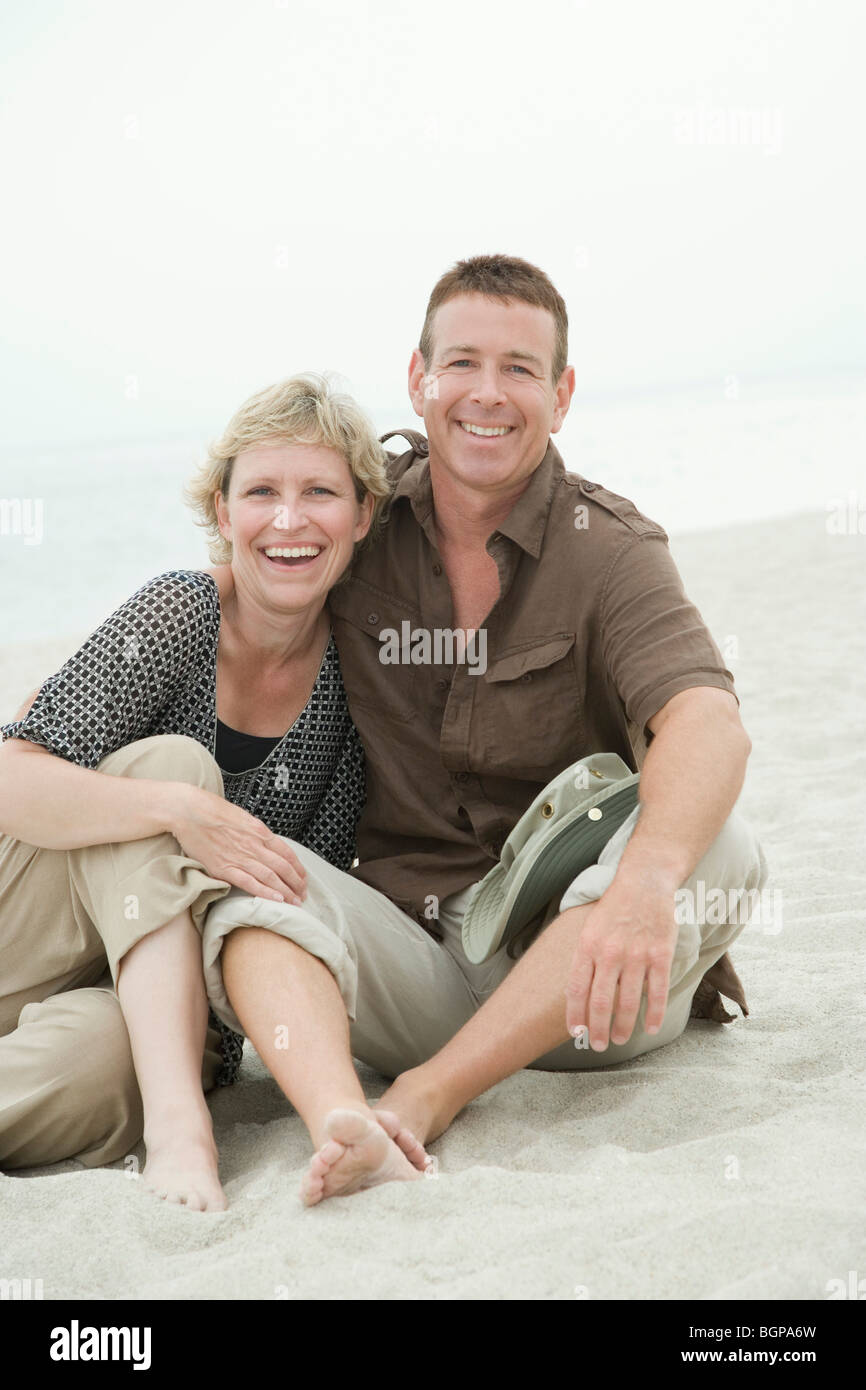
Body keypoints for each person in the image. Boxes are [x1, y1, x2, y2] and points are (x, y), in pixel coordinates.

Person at [199, 255, 768, 1207]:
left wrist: (643, 887)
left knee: (723, 841)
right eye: (461, 363)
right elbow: (253, 576)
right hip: (413, 964)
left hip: (583, 993)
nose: (487, 394)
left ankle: (428, 1097)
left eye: (519, 368)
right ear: (418, 379)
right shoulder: (360, 515)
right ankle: (351, 1124)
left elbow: (708, 721)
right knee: (244, 886)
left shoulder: (612, 552)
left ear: (562, 392)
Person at [0, 372, 404, 1211]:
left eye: (320, 492)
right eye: (262, 491)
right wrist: (180, 811)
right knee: (177, 770)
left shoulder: (346, 695)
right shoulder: (180, 612)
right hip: (23, 919)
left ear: (361, 514)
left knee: (113, 1068)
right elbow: (11, 774)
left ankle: (169, 1097)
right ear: (224, 514)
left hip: (120, 997)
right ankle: (181, 1137)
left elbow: (293, 894)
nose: (288, 520)